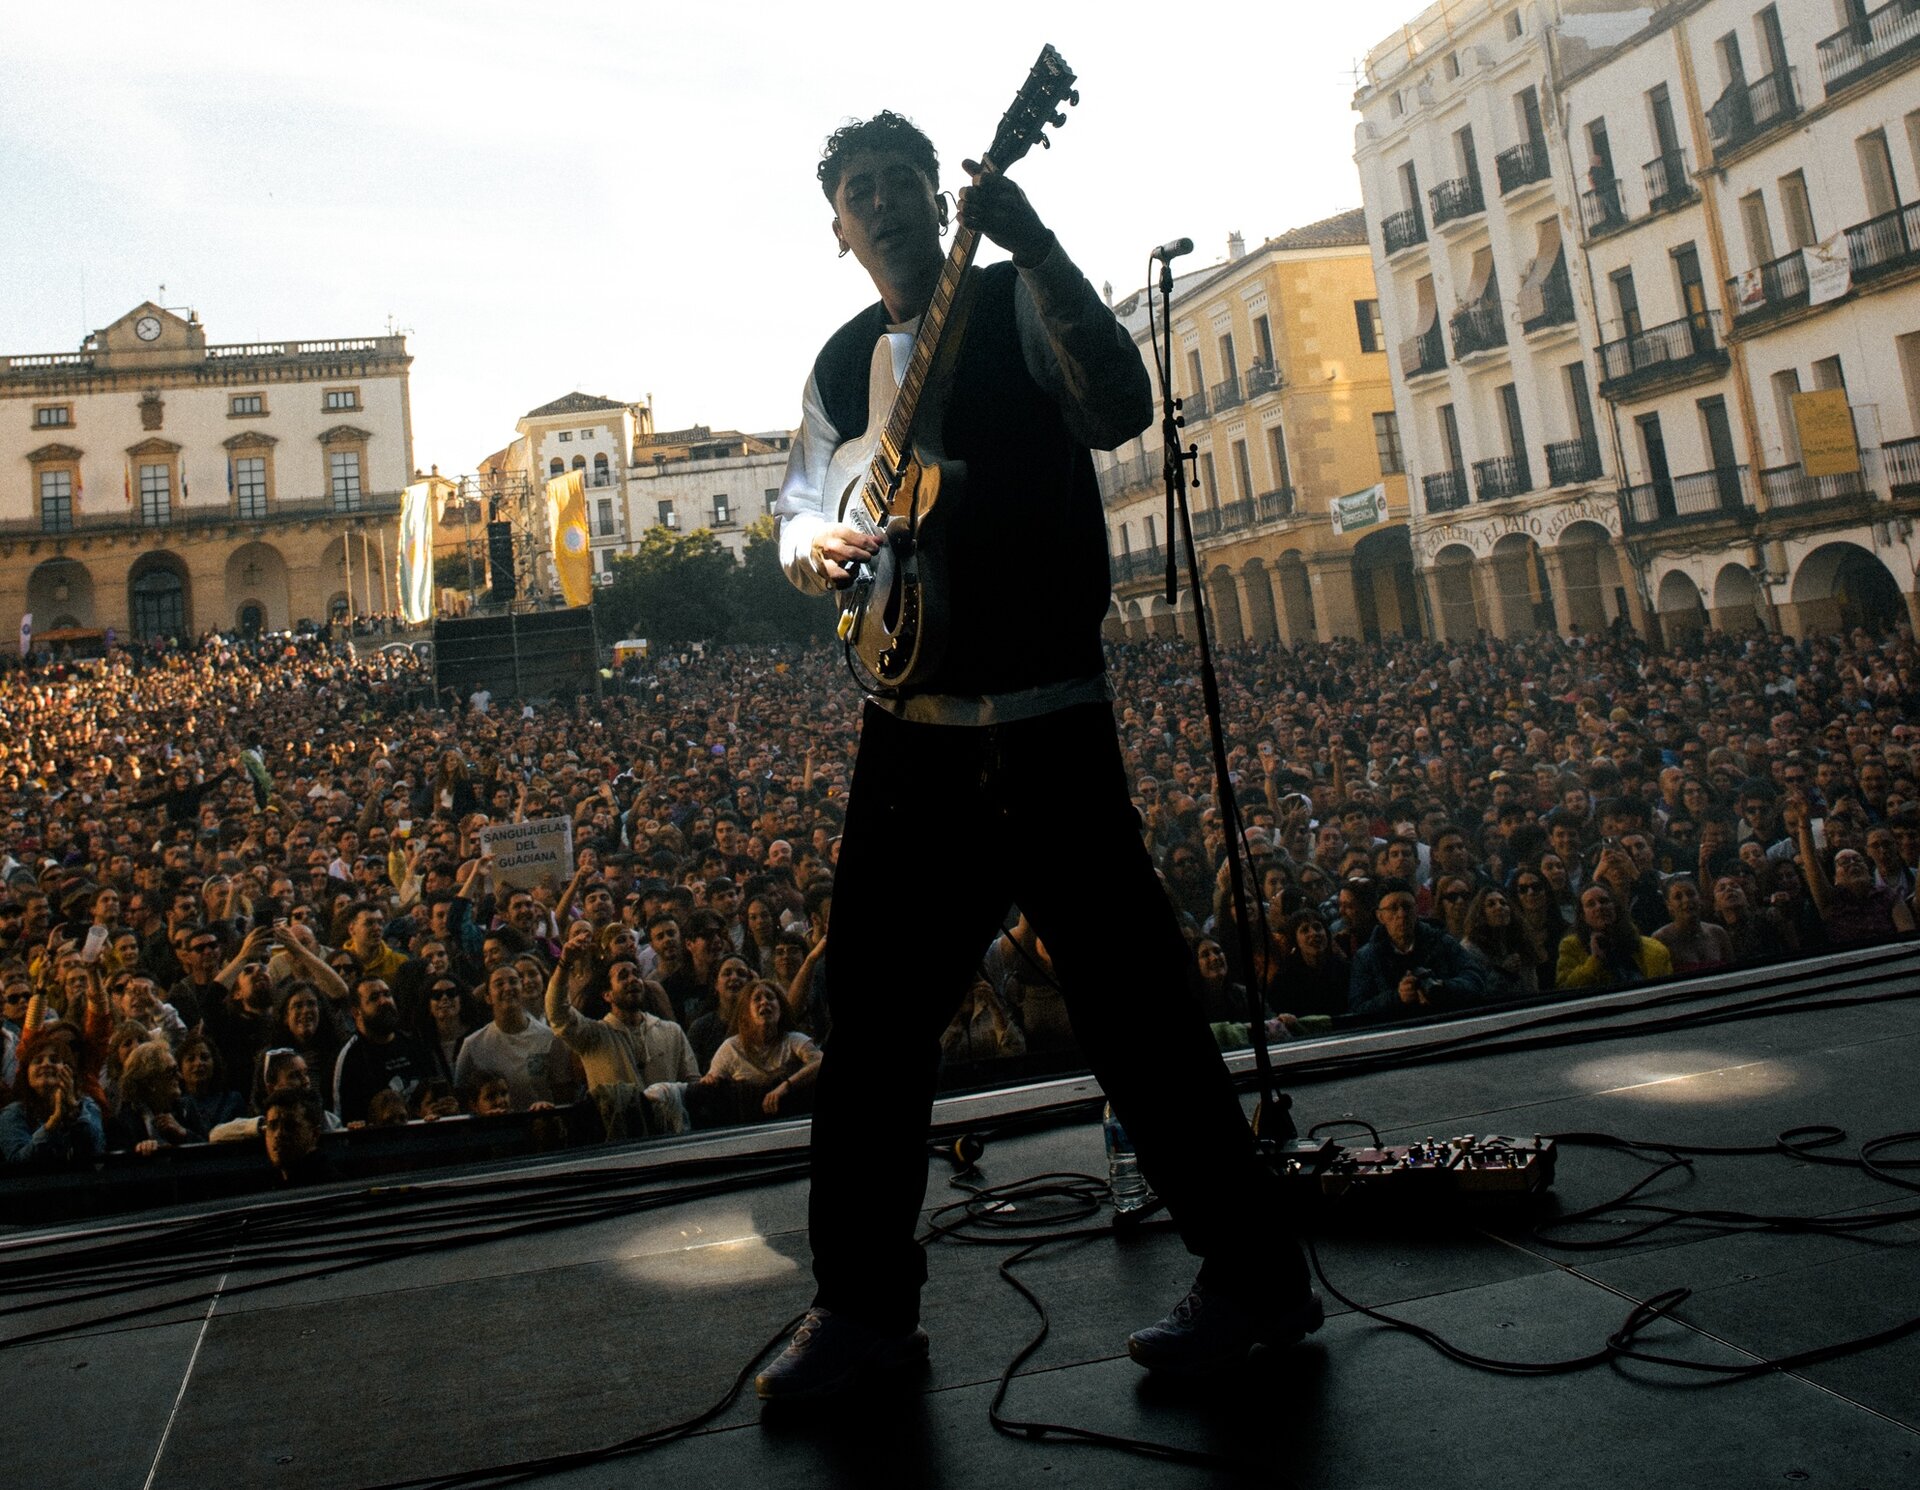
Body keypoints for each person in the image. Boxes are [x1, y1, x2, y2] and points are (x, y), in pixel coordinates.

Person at [757, 110, 1315, 1400]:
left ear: (937, 194)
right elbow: (796, 507)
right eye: (858, 189)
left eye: (902, 179)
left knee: (1138, 1010)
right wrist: (810, 547)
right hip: (911, 731)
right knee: (873, 1023)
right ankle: (862, 1310)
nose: (883, 201)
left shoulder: (1013, 299)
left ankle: (1254, 1277)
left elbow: (1117, 406)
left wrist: (1044, 249)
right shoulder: (839, 364)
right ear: (836, 228)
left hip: (1049, 716)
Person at [1347, 879, 1486, 1020]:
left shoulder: (1442, 942)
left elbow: (1476, 980)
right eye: (1393, 908)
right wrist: (1397, 997)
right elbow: (1358, 1008)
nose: (1402, 914)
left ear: (1416, 909)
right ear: (1380, 916)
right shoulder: (1367, 958)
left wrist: (1443, 987)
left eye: (1407, 906)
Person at [452, 963, 565, 1112]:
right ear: (488, 997)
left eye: (513, 982)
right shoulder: (473, 1045)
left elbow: (564, 1092)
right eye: (499, 984)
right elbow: (461, 1098)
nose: (507, 988)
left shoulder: (549, 1038)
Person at [331, 976, 436, 1124]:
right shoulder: (350, 1057)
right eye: (374, 998)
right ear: (356, 1012)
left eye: (387, 994)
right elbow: (344, 1118)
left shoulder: (414, 1044)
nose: (384, 1001)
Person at [1, 1028, 106, 1167]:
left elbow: (96, 1153)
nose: (46, 1064)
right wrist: (52, 1124)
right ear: (26, 1074)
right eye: (38, 1061)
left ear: (69, 1071)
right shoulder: (13, 1113)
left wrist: (75, 1111)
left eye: (54, 1060)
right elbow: (18, 1162)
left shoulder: (87, 1105)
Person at [1556, 883, 1675, 989]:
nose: (1599, 907)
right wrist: (1595, 961)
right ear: (1582, 916)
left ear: (1615, 907)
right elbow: (1565, 987)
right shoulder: (1570, 946)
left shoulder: (1654, 950)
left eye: (1604, 901)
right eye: (1591, 904)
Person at [1652, 876, 1733, 975]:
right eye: (1678, 897)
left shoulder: (1718, 933)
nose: (1686, 900)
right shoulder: (1661, 940)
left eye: (1691, 894)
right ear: (1669, 905)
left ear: (1700, 898)